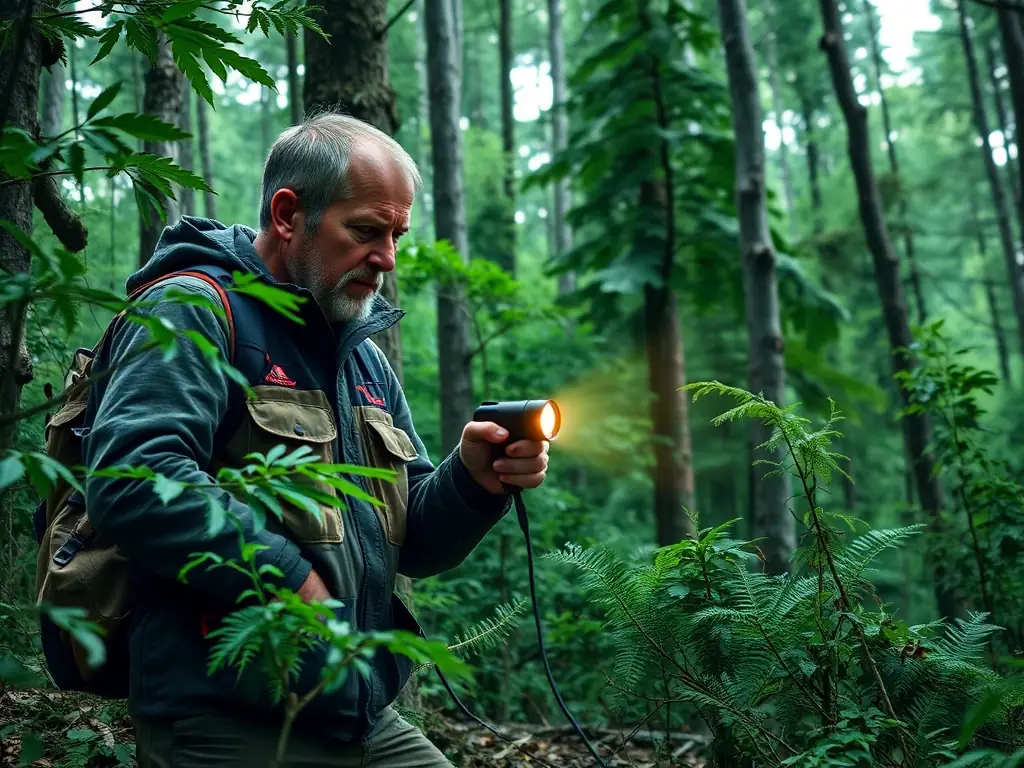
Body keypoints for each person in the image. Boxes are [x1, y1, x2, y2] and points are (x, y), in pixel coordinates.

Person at [82, 112, 550, 767]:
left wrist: (473, 480)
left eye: (396, 235)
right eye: (365, 230)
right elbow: (133, 482)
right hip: (225, 717)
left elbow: (410, 541)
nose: (386, 259)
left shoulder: (359, 353)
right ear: (287, 214)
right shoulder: (192, 308)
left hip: (357, 713)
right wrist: (291, 577)